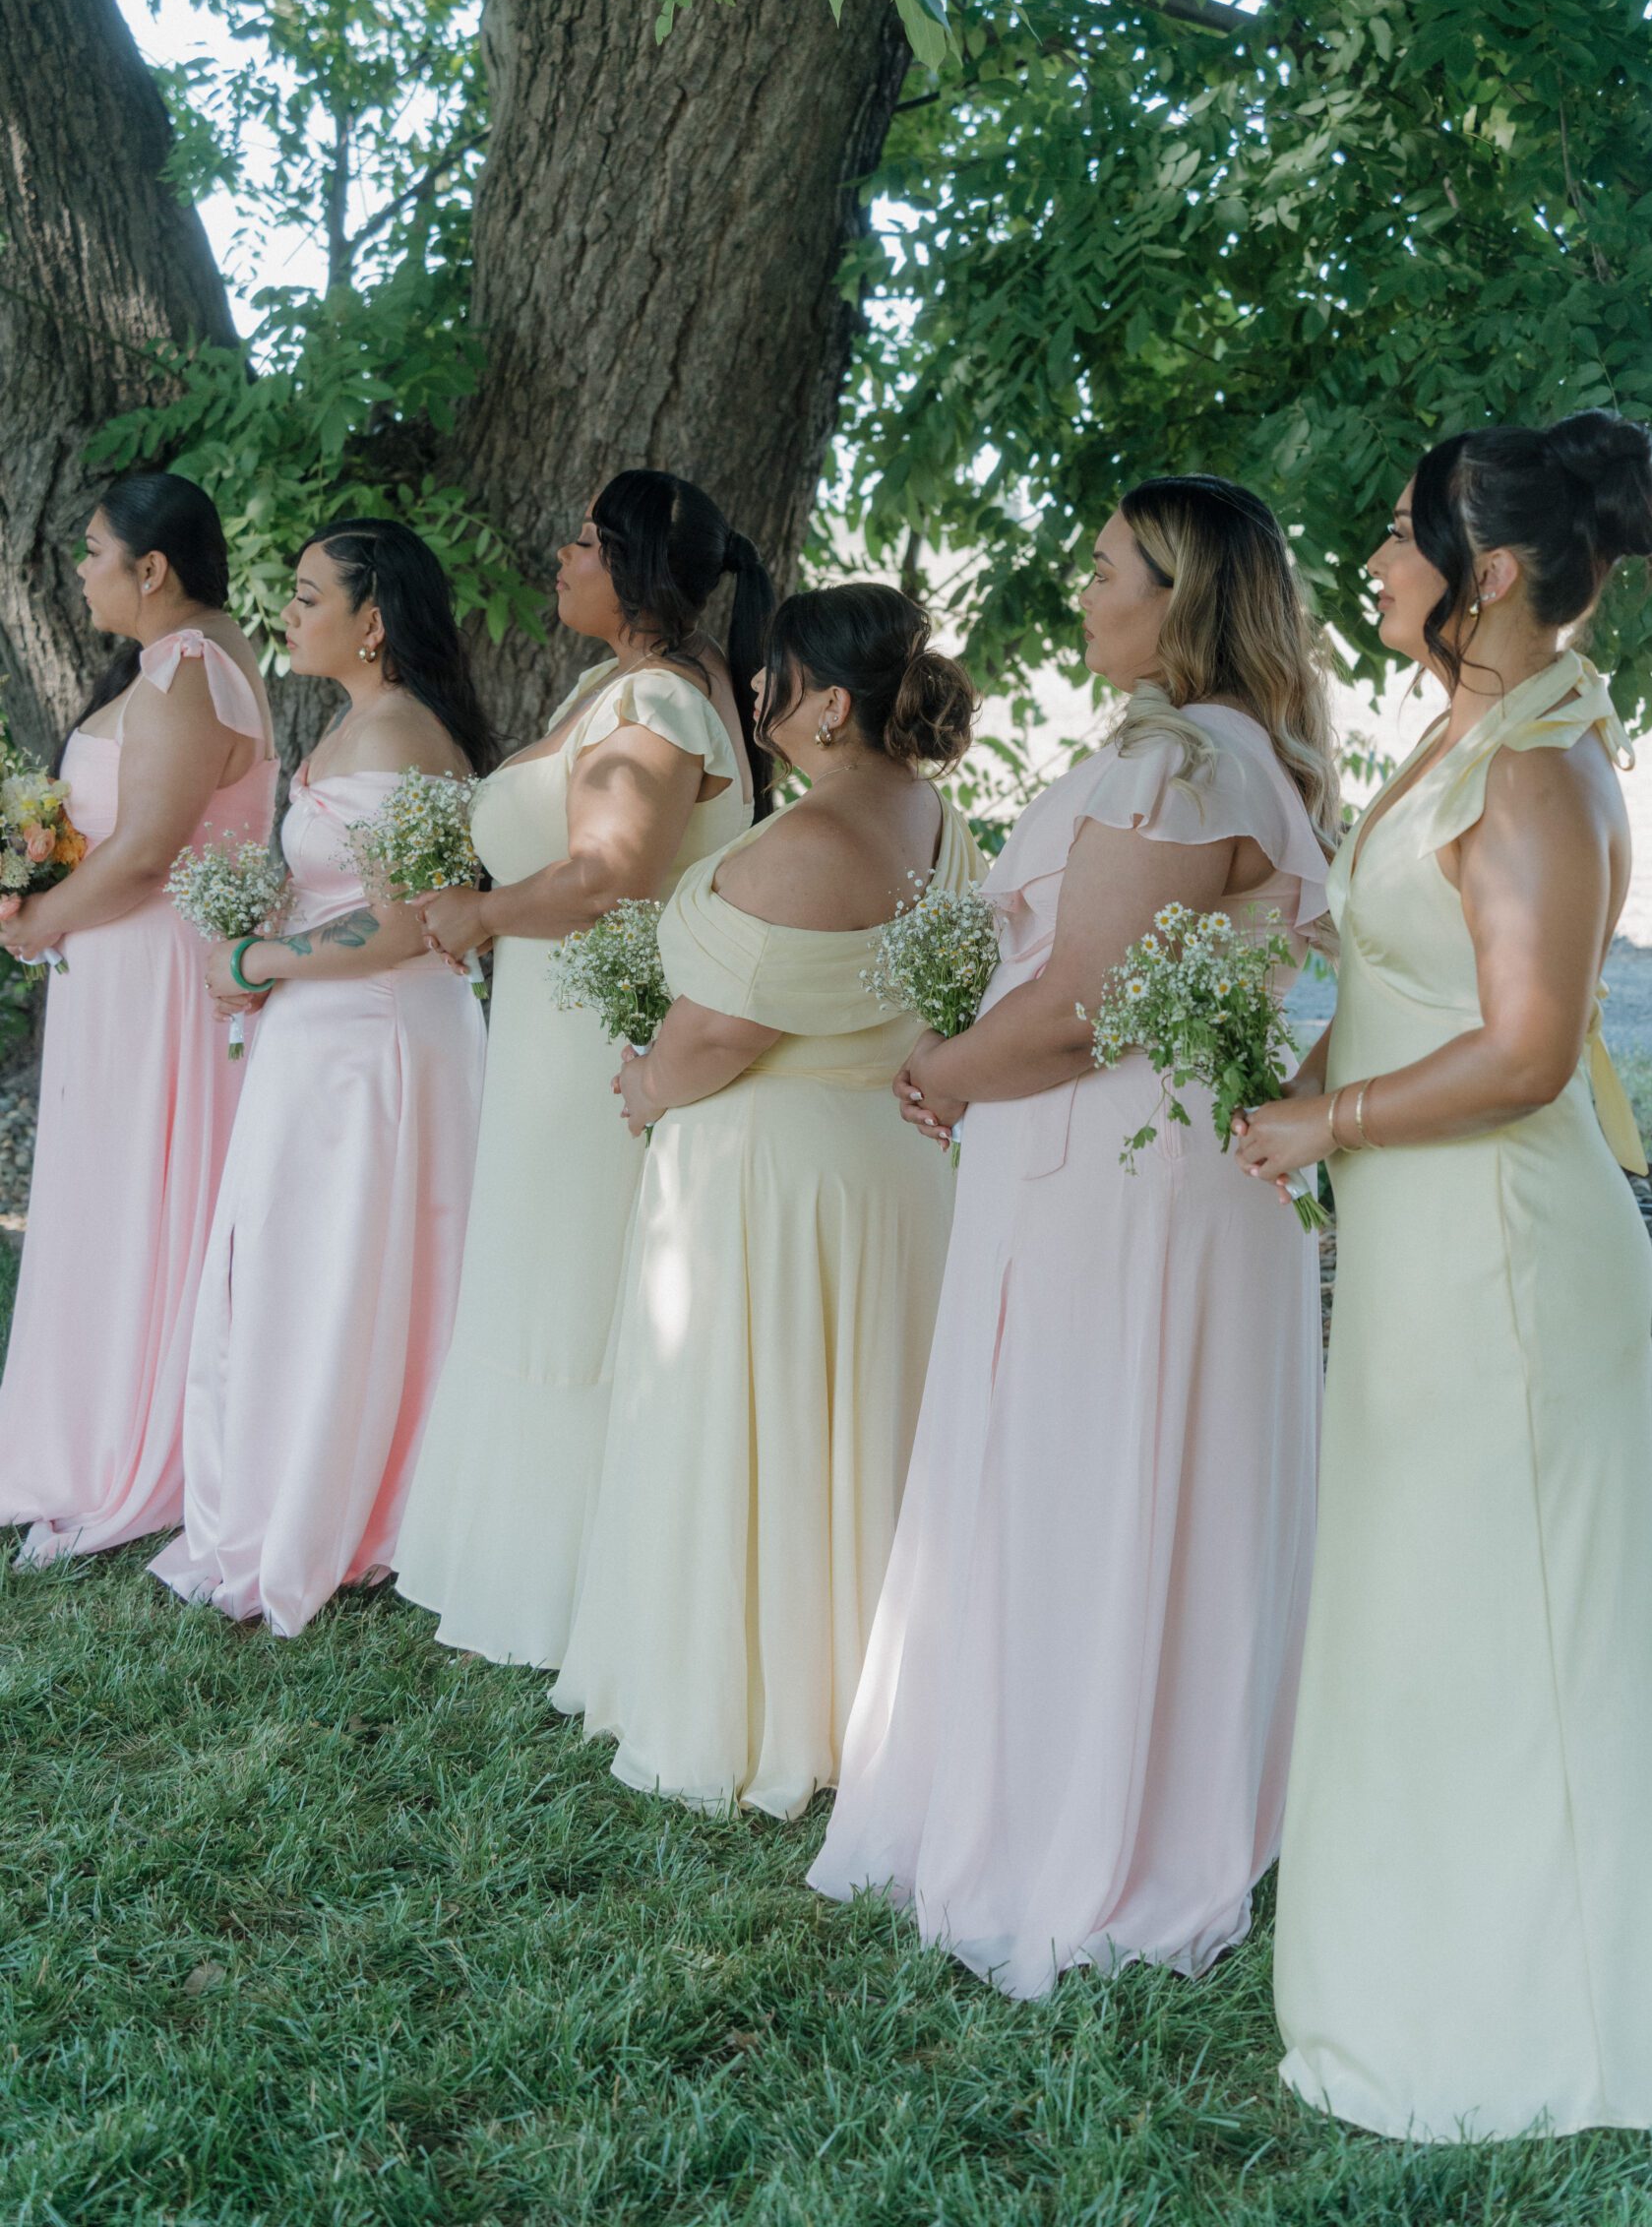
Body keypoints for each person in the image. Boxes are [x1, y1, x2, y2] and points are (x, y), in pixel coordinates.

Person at [809, 475, 1337, 1996]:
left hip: (1118, 1178)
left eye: (1109, 566)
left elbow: (1081, 1004)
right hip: (1116, 1159)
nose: (1084, 586)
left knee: (1086, 1471)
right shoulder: (1199, 757)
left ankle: (1086, 1826)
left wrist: (935, 1073)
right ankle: (1051, 1778)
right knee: (1092, 1470)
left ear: (1177, 596)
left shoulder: (1179, 766)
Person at [1234, 413, 1652, 2139]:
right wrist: (1293, 1095)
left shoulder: (1540, 773)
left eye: (1400, 538)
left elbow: (1522, 1051)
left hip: (1501, 1246)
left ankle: (1534, 2017)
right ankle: (1412, 1959)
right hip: (1420, 1240)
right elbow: (1403, 975)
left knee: (1502, 1610)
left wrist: (1328, 1118)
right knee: (1418, 1599)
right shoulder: (1451, 737)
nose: (1371, 561)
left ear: (1485, 571)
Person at [553, 585, 984, 1818]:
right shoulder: (937, 822)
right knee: (854, 1428)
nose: (755, 691)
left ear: (832, 704)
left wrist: (641, 1084)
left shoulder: (806, 843)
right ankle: (861, 1693)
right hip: (884, 1165)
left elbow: (719, 1035)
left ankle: (748, 1705)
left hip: (772, 1174)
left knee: (757, 1422)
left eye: (777, 676)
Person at [393, 472, 774, 1670]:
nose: (560, 555)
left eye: (584, 540)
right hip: (552, 1033)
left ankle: (572, 1587)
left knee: (570, 1283)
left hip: (590, 1042)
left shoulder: (659, 701)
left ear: (639, 567)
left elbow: (610, 871)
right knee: (540, 1271)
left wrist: (481, 914)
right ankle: (516, 1561)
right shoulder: (614, 688)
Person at [150, 520, 492, 1636]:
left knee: (349, 1264)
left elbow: (401, 930)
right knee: (314, 1264)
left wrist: (255, 960)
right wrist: (270, 953)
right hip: (330, 1037)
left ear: (374, 620)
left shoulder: (400, 740)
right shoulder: (367, 726)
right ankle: (316, 1476)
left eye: (306, 597)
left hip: (369, 1049)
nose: (287, 614)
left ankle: (346, 1503)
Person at [0, 474, 276, 1562]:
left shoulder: (188, 672)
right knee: (114, 1193)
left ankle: (122, 1448)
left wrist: (34, 923)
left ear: (151, 569)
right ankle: (95, 1419)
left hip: (151, 978)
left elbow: (152, 850)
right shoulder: (192, 662)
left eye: (95, 551)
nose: (81, 569)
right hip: (125, 971)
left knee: (136, 1197)